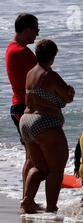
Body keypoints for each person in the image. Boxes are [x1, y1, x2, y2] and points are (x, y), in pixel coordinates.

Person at [19, 39, 75, 213]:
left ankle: (27, 200)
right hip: (45, 121)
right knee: (56, 169)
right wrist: (71, 91)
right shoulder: (50, 75)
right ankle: (51, 207)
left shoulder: (30, 73)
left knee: (40, 167)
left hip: (26, 120)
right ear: (53, 56)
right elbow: (67, 96)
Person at [5, 13, 39, 207]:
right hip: (24, 107)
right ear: (27, 29)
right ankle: (27, 200)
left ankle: (27, 198)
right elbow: (42, 76)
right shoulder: (22, 52)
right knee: (33, 157)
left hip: (19, 106)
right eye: (36, 29)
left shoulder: (12, 48)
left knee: (30, 155)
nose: (37, 34)